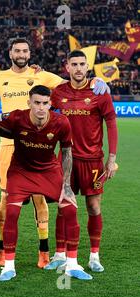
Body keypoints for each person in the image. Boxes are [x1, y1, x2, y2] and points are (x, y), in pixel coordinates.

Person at [0, 38, 111, 268]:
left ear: (30, 53)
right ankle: (3, 249)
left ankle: (44, 250)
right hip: (8, 144)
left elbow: (73, 82)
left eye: (25, 50)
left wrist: (96, 80)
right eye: (17, 51)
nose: (21, 54)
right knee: (5, 199)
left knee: (39, 197)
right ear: (10, 53)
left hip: (39, 143)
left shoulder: (43, 76)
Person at [0, 85, 92, 282]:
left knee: (70, 208)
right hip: (20, 172)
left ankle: (72, 265)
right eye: (36, 103)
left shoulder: (61, 122)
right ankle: (8, 267)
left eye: (45, 103)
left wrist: (66, 185)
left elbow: (66, 153)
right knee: (12, 212)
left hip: (48, 171)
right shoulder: (16, 118)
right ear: (29, 102)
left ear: (50, 104)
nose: (40, 107)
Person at [47, 50, 118, 272]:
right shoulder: (58, 93)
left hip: (93, 160)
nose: (78, 68)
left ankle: (94, 256)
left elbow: (111, 123)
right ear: (66, 67)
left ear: (88, 66)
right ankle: (59, 254)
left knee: (93, 206)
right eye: (74, 64)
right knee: (63, 206)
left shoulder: (99, 91)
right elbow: (45, 118)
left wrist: (112, 158)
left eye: (82, 64)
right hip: (66, 159)